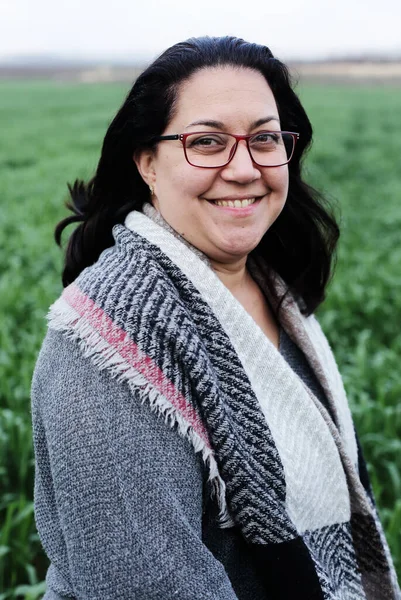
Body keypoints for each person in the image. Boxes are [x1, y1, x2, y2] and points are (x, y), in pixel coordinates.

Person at [31, 36, 400, 600]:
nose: (245, 169)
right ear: (147, 161)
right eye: (207, 142)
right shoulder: (110, 341)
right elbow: (149, 585)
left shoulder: (273, 288)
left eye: (264, 139)